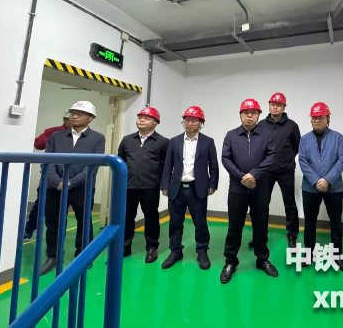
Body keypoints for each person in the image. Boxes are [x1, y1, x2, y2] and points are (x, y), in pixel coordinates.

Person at [40, 101, 105, 276]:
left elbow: (93, 166)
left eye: (80, 114)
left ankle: (83, 256)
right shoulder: (56, 137)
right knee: (53, 222)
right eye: (73, 113)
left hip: (82, 188)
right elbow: (48, 161)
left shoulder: (97, 138)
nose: (75, 116)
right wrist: (57, 182)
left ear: (90, 118)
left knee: (84, 221)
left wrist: (71, 182)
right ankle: (53, 257)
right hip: (55, 188)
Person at [220, 98, 277, 283]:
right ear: (241, 115)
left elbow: (271, 156)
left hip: (260, 188)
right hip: (237, 188)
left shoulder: (266, 134)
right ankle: (230, 261)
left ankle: (262, 259)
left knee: (260, 225)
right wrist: (242, 177)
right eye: (246, 113)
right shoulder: (231, 135)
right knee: (234, 226)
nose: (249, 116)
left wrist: (254, 175)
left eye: (253, 113)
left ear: (259, 115)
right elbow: (225, 158)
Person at [161, 106, 219, 270]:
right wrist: (165, 185)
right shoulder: (174, 141)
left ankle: (202, 251)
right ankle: (175, 251)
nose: (190, 123)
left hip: (197, 188)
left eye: (194, 120)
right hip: (176, 188)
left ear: (201, 123)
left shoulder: (208, 142)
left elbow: (213, 165)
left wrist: (213, 184)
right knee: (175, 222)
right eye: (187, 120)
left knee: (200, 222)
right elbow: (167, 165)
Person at [298, 102, 343, 273]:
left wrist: (327, 180)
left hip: (333, 188)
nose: (317, 120)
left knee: (336, 222)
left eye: (321, 117)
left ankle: (337, 256)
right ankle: (308, 254)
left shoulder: (338, 138)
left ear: (328, 118)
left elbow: (341, 160)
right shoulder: (304, 139)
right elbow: (303, 162)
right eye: (314, 118)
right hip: (310, 187)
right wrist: (316, 181)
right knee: (309, 222)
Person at [248, 92, 300, 249]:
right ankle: (260, 235)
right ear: (269, 106)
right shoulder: (261, 125)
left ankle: (292, 236)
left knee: (289, 204)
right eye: (272, 104)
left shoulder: (292, 125)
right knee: (262, 204)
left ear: (284, 107)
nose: (275, 107)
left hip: (286, 170)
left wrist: (285, 159)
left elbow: (296, 147)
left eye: (278, 104)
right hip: (265, 171)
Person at [118, 107, 169, 263]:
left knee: (151, 217)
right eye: (140, 117)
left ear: (155, 123)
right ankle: (125, 247)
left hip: (150, 186)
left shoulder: (163, 142)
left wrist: (164, 185)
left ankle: (152, 247)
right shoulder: (127, 140)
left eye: (146, 118)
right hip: (128, 186)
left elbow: (167, 166)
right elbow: (120, 161)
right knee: (127, 217)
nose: (141, 120)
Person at [24, 110, 71, 241]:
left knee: (65, 210)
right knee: (41, 204)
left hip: (72, 177)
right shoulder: (53, 132)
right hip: (50, 177)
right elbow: (38, 143)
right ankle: (29, 229)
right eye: (70, 118)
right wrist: (58, 139)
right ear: (65, 120)